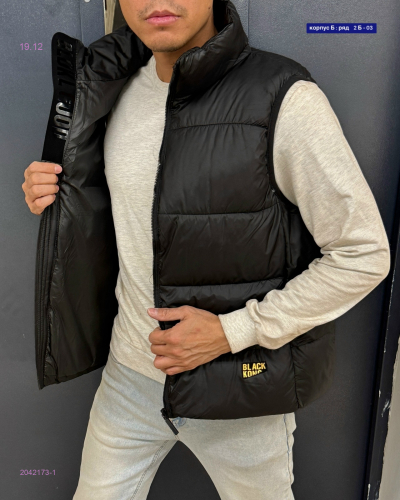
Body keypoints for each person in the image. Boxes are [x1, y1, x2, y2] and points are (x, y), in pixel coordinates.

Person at [21, 0, 391, 498]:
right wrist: (59, 194)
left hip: (240, 387)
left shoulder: (283, 96)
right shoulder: (106, 88)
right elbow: (123, 214)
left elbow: (363, 253)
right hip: (129, 378)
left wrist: (231, 332)